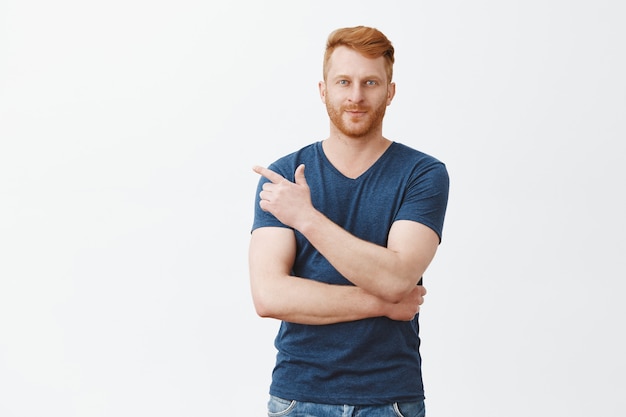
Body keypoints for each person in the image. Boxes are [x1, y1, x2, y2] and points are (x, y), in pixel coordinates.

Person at [249, 25, 449, 417]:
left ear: (389, 92)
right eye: (344, 82)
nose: (356, 96)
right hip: (297, 398)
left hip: (390, 400)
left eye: (370, 82)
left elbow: (396, 278)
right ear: (324, 90)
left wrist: (305, 218)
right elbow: (269, 296)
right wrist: (382, 304)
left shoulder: (422, 174)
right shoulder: (282, 177)